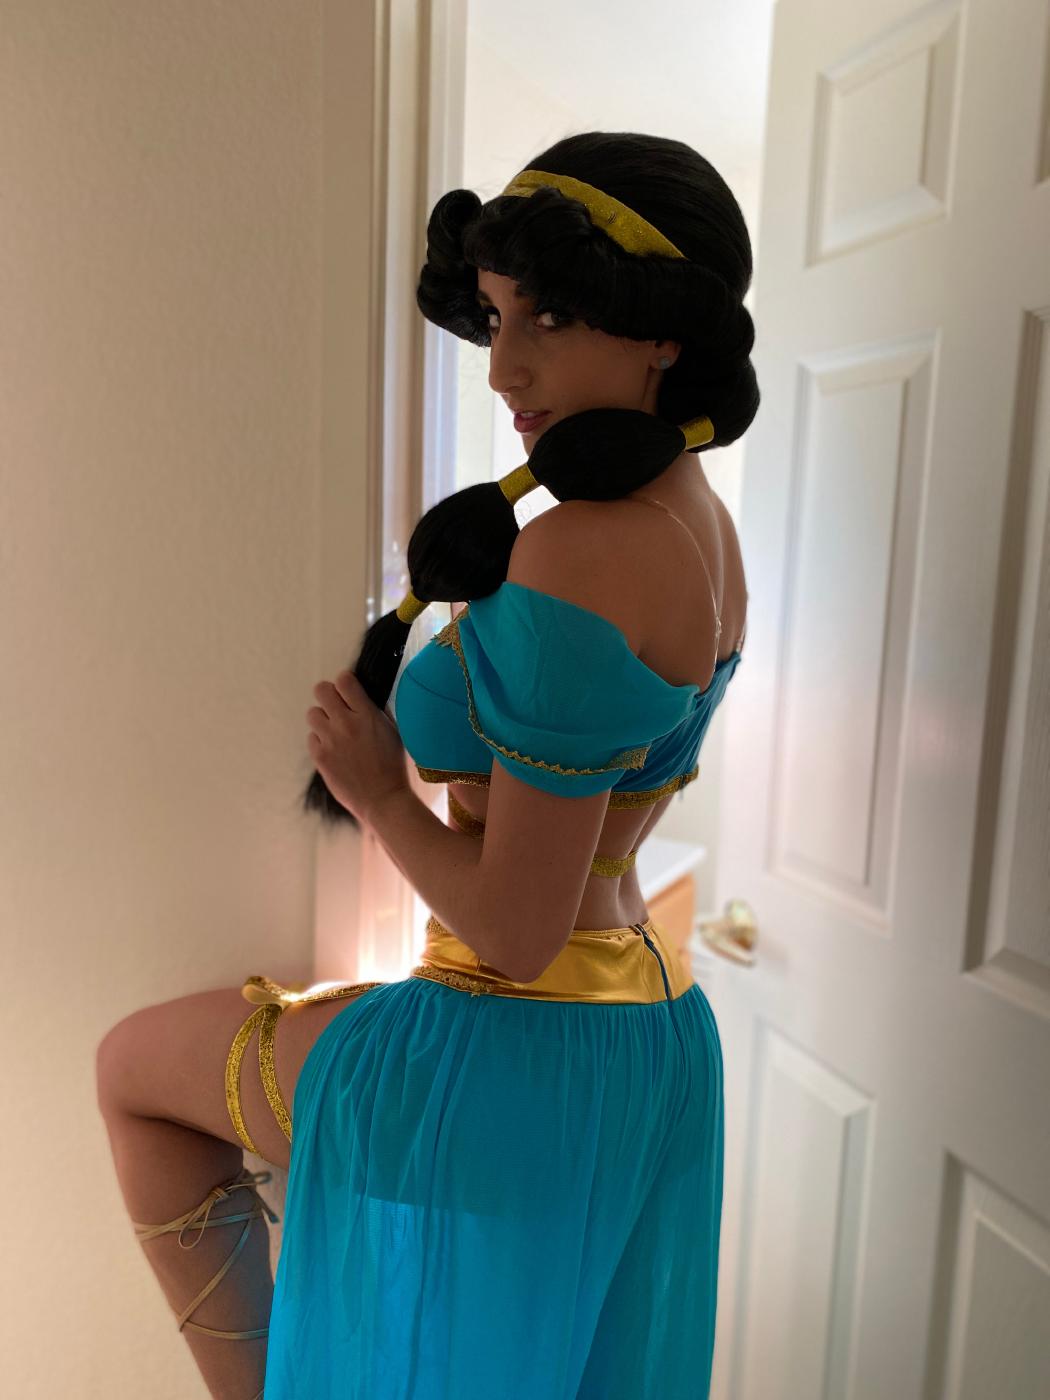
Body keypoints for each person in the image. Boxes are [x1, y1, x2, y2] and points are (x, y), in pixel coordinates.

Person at [95, 129, 757, 1399]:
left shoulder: (585, 546)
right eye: (498, 319)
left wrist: (378, 792)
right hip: (649, 1039)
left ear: (665, 333)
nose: (506, 366)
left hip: (515, 1036)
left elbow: (516, 929)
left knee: (132, 1069)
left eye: (549, 317)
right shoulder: (701, 523)